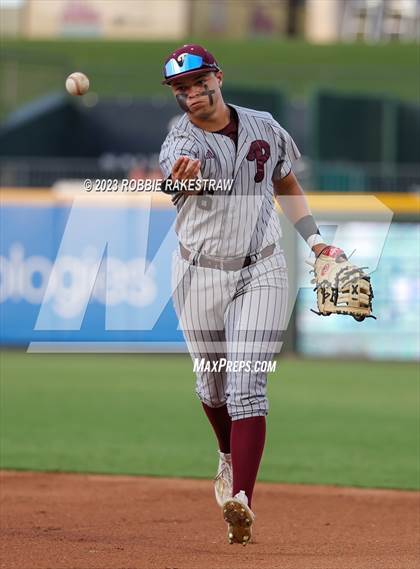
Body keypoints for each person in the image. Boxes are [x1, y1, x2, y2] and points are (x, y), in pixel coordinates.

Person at [159, 44, 329, 546]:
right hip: (199, 273)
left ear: (218, 77)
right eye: (180, 89)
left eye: (197, 82)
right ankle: (227, 455)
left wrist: (318, 242)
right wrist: (181, 182)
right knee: (212, 388)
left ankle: (243, 499)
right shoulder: (179, 140)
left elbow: (286, 181)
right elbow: (174, 177)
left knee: (245, 386)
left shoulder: (263, 125)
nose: (191, 94)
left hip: (262, 268)